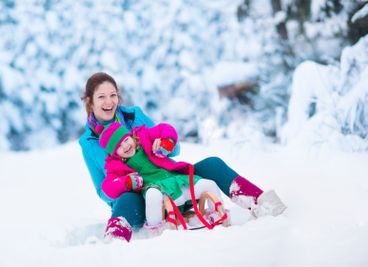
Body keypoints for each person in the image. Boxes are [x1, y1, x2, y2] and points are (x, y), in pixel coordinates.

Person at [79, 72, 286, 242]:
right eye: (101, 97)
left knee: (212, 164)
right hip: (139, 198)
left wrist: (164, 146)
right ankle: (112, 244)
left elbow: (173, 145)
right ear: (90, 101)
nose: (109, 102)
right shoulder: (88, 142)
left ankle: (261, 202)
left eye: (113, 95)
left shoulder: (134, 116)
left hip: (171, 181)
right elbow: (102, 190)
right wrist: (128, 184)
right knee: (125, 200)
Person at [97, 121, 227, 234]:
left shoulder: (145, 137)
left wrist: (167, 141)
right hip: (155, 189)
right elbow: (108, 188)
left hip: (176, 180)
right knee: (153, 196)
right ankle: (156, 230)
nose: (125, 146)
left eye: (125, 140)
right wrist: (127, 182)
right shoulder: (117, 166)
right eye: (119, 146)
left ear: (131, 136)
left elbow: (165, 128)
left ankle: (217, 215)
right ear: (114, 153)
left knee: (209, 184)